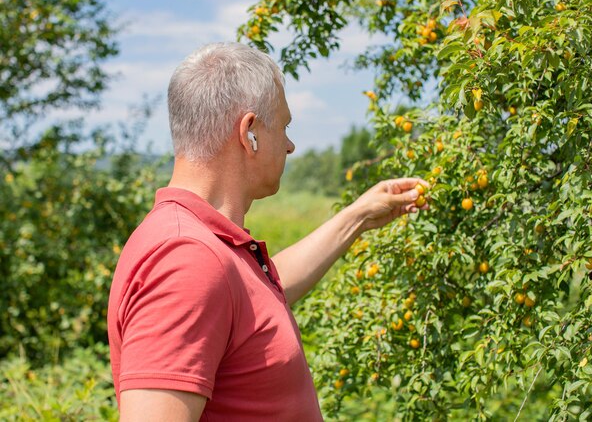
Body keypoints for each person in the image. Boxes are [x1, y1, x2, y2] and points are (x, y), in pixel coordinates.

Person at [107, 42, 429, 421]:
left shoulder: (205, 244)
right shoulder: (187, 260)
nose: (291, 145)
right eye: (284, 126)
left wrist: (357, 216)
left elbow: (255, 300)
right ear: (250, 132)